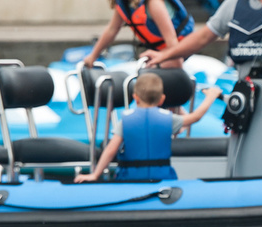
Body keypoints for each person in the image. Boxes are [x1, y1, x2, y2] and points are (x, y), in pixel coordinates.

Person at [74, 74, 222, 182]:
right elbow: (195, 117)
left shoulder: (125, 120)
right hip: (162, 179)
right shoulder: (169, 119)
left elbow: (111, 149)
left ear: (135, 97)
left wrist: (95, 174)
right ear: (162, 99)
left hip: (131, 180)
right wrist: (211, 96)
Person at [83, 0, 195, 69]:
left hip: (179, 49)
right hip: (160, 50)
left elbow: (173, 44)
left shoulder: (153, 3)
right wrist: (93, 56)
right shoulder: (123, 2)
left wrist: (169, 64)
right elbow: (112, 29)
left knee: (146, 75)